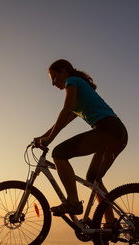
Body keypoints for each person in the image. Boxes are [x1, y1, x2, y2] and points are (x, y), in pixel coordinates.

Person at [35, 59, 128, 223]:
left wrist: (50, 139)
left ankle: (73, 202)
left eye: (54, 77)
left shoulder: (73, 81)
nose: (53, 83)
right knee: (93, 180)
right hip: (118, 133)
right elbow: (63, 120)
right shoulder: (80, 94)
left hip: (107, 130)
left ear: (64, 72)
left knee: (58, 154)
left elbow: (66, 110)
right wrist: (44, 135)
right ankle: (110, 223)